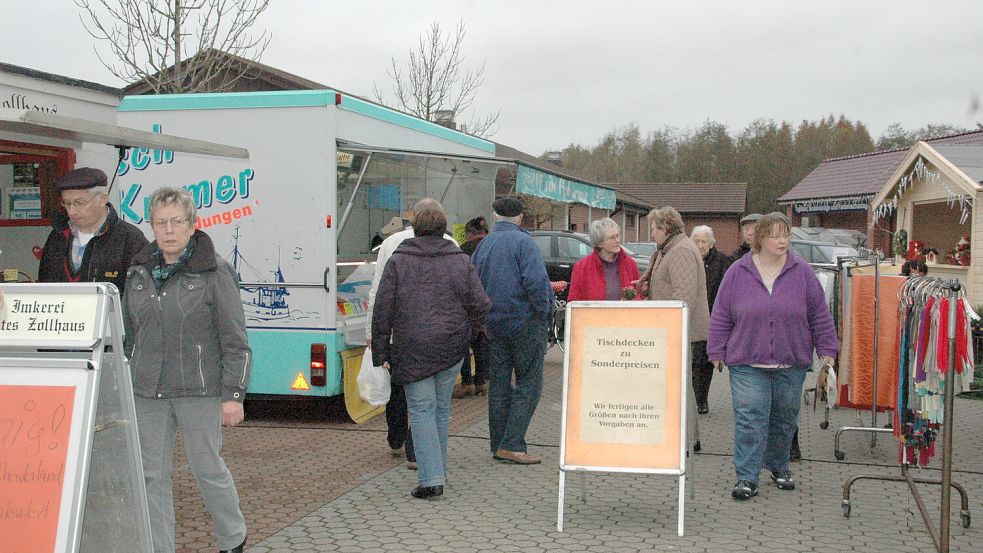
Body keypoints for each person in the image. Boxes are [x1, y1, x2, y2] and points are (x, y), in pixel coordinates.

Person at [122, 187, 250, 553]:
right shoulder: (139, 273)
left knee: (207, 469)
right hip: (148, 392)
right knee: (150, 477)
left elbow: (235, 340)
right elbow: (131, 336)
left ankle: (233, 538)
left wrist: (233, 396)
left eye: (177, 221)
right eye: (161, 222)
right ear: (152, 226)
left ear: (193, 224)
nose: (169, 230)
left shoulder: (215, 272)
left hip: (199, 390)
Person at [708, 212, 839, 501]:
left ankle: (779, 465)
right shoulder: (738, 272)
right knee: (750, 418)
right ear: (761, 239)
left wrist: (828, 351)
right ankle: (746, 477)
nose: (783, 241)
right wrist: (716, 350)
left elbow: (820, 314)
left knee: (783, 419)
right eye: (776, 235)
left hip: (790, 361)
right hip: (745, 361)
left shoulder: (802, 272)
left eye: (786, 234)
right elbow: (721, 314)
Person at [371, 199, 491, 500]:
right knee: (440, 410)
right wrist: (470, 333)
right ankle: (438, 471)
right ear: (444, 227)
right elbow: (481, 304)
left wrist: (381, 351)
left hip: (412, 347)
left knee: (422, 410)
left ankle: (431, 480)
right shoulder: (460, 260)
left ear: (414, 227)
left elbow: (383, 309)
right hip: (451, 347)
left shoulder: (399, 261)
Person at [367, 205, 460, 468]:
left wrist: (378, 343)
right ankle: (426, 462)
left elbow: (380, 298)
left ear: (413, 221)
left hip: (406, 340)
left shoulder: (392, 249)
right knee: (436, 409)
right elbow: (475, 301)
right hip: (446, 343)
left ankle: (399, 441)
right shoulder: (454, 249)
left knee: (405, 397)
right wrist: (466, 337)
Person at [471, 197, 554, 465]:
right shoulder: (525, 243)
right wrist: (545, 313)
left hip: (494, 326)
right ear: (519, 218)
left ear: (495, 216)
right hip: (525, 322)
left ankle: (498, 444)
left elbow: (474, 286)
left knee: (499, 386)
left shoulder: (483, 246)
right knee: (529, 382)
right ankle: (513, 443)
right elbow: (537, 284)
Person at [634, 206, 710, 452]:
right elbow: (670, 285)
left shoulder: (681, 252)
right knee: (677, 384)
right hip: (671, 330)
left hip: (677, 331)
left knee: (679, 385)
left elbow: (683, 298)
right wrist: (649, 289)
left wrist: (668, 330)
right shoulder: (671, 249)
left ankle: (687, 439)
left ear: (665, 228)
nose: (651, 235)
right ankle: (686, 437)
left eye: (653, 229)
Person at [38, 167, 148, 294]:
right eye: (67, 203)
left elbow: (140, 297)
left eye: (80, 203)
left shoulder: (130, 239)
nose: (72, 211)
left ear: (102, 199)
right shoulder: (57, 237)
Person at [690, 225, 732, 414]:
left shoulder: (722, 261)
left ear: (712, 243)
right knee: (692, 361)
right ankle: (692, 398)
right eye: (696, 241)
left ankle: (701, 399)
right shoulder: (688, 259)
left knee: (704, 361)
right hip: (691, 316)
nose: (699, 245)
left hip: (712, 318)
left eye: (703, 242)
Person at [455, 216, 491, 398]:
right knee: (482, 342)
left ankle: (467, 382)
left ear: (470, 233)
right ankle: (482, 382)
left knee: (464, 344)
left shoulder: (463, 250)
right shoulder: (493, 246)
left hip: (467, 303)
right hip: (487, 301)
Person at [567, 218, 640, 302]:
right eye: (612, 238)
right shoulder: (581, 268)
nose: (617, 240)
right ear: (599, 243)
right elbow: (574, 303)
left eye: (618, 235)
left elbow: (639, 295)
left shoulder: (630, 264)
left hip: (625, 315)